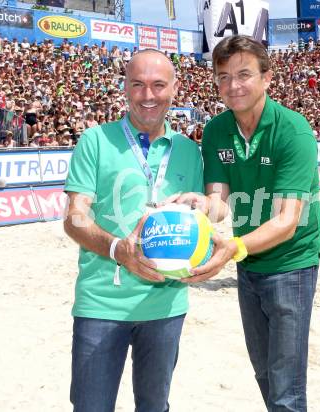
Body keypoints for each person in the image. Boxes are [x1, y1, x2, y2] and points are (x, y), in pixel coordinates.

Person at [171, 35, 320, 412]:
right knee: (265, 375)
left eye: (244, 74)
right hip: (248, 261)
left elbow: (287, 221)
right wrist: (200, 204)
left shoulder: (293, 130)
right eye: (223, 77)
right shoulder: (216, 130)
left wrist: (232, 249)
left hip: (292, 263)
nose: (233, 86)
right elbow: (221, 204)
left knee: (286, 386)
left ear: (267, 77)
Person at [63, 49, 204, 412]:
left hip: (166, 305)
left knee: (155, 407)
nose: (148, 95)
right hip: (101, 305)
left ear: (175, 88)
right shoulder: (95, 140)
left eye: (158, 85)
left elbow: (204, 217)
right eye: (138, 84)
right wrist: (117, 250)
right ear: (124, 87)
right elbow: (74, 217)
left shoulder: (189, 150)